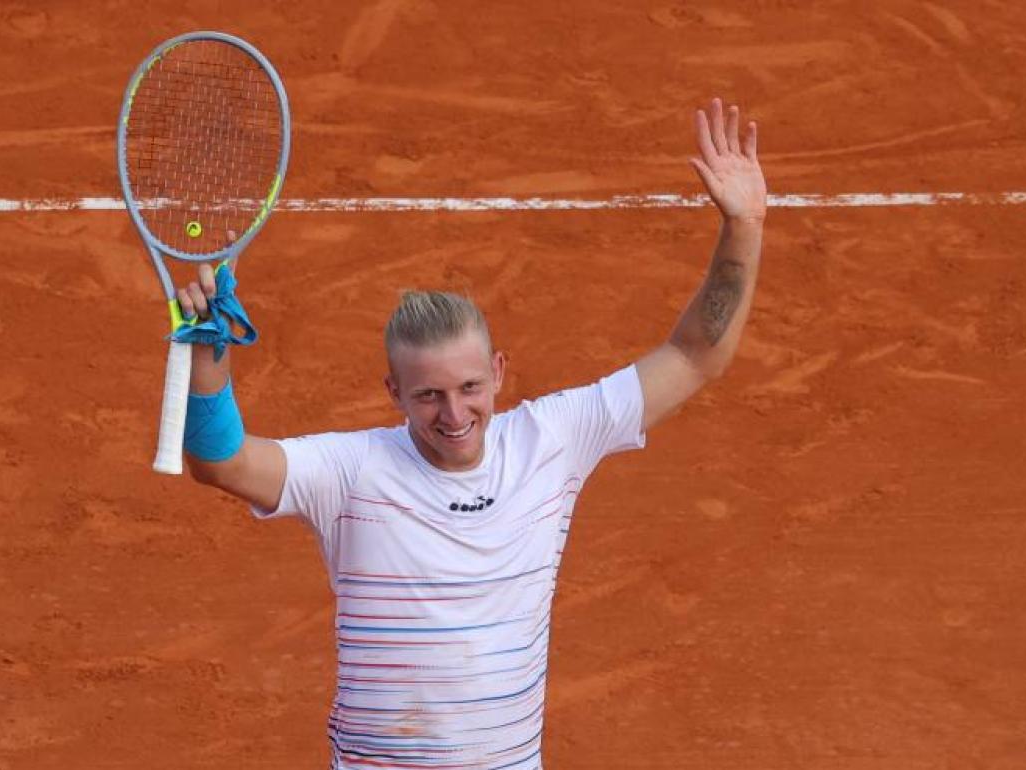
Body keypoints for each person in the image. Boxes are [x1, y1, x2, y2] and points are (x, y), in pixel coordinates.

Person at [175, 98, 766, 769]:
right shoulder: (351, 472)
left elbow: (696, 355)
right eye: (427, 396)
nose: (453, 416)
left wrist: (744, 226)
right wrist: (209, 364)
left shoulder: (552, 441)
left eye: (469, 390)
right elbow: (221, 463)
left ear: (499, 375)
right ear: (392, 392)